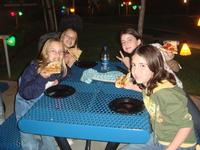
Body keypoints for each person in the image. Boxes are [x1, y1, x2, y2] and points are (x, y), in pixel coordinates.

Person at [120, 45, 196, 150]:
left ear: (154, 67)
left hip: (179, 144)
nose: (136, 71)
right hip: (160, 136)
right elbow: (148, 91)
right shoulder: (150, 82)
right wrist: (132, 87)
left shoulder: (165, 93)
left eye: (142, 66)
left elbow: (186, 126)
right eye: (134, 65)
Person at [15, 38, 67, 150]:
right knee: (27, 135)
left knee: (47, 131)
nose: (57, 54)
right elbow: (26, 94)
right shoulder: (34, 68)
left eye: (60, 51)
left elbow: (64, 75)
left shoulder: (60, 69)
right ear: (46, 53)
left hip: (43, 104)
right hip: (25, 104)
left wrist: (58, 81)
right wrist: (43, 76)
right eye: (53, 51)